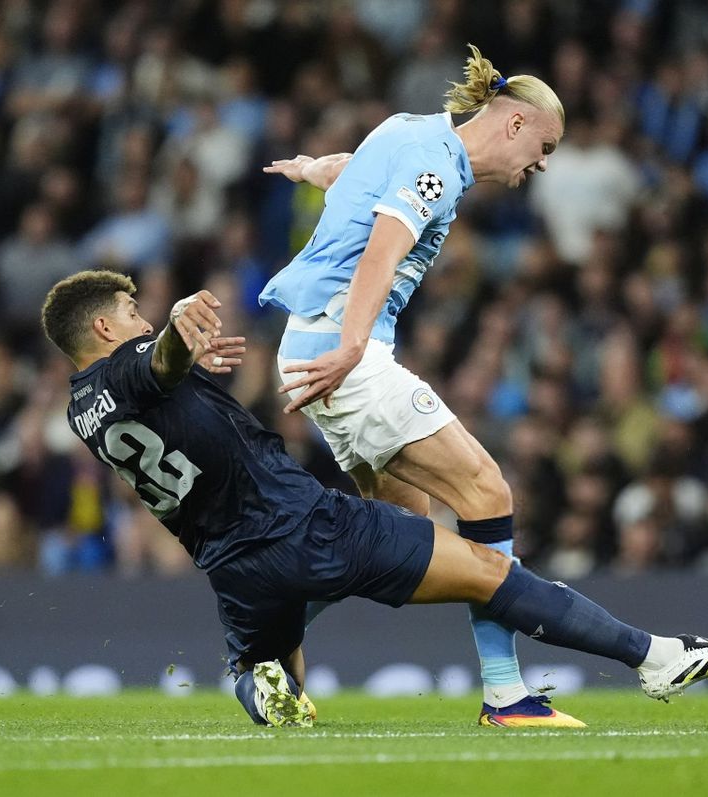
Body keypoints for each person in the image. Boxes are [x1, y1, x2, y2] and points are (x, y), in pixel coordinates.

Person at [41, 270, 708, 728]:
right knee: (491, 571)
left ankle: (260, 686)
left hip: (234, 570)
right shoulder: (133, 363)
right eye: (130, 311)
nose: (140, 319)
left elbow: (159, 383)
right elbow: (156, 362)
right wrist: (174, 331)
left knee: (263, 671)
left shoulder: (80, 410)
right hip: (308, 525)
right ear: (103, 328)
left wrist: (179, 355)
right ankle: (653, 657)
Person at [259, 44, 571, 725]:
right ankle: (506, 693)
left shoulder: (410, 131)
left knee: (394, 535)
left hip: (316, 343)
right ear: (515, 123)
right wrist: (351, 349)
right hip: (344, 347)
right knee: (487, 491)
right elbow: (382, 250)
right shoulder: (435, 167)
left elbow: (353, 172)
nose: (542, 164)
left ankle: (267, 632)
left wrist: (310, 168)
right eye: (544, 147)